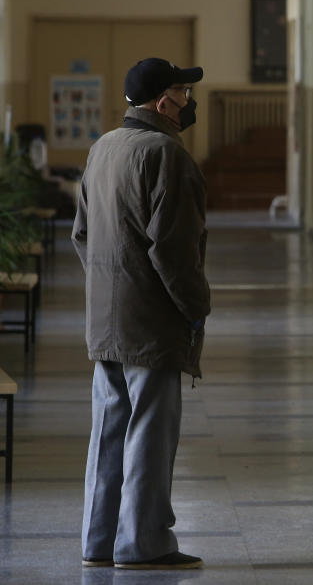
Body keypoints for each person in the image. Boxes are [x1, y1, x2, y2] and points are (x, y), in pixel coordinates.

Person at [72, 58, 210, 570]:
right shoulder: (167, 156)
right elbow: (173, 253)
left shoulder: (102, 147)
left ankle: (99, 540)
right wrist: (196, 309)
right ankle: (144, 543)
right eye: (181, 92)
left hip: (105, 319)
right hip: (151, 322)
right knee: (151, 432)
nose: (188, 101)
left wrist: (109, 286)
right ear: (161, 103)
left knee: (108, 429)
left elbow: (81, 235)